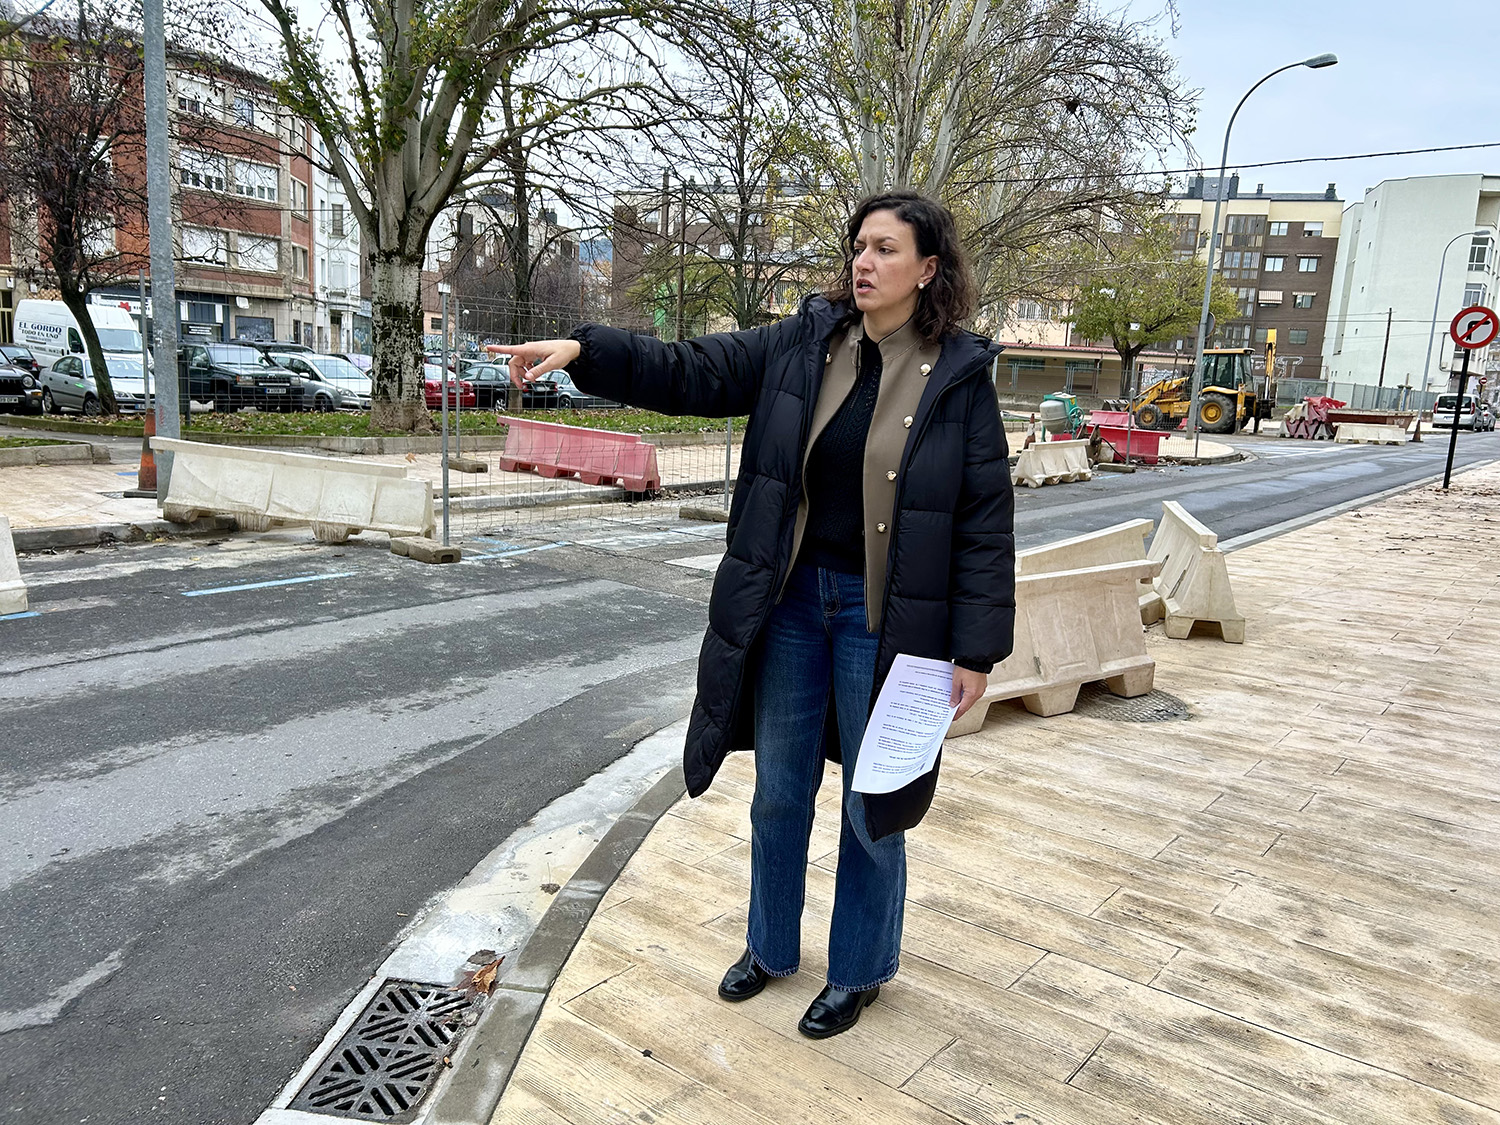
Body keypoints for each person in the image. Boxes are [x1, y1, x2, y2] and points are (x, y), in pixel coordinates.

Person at [506, 190, 1015, 1039]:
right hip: (791, 605)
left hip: (888, 625)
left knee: (873, 803)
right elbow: (690, 369)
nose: (864, 262)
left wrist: (976, 649)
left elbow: (984, 521)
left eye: (886, 250)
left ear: (928, 270)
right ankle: (770, 947)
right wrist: (583, 350)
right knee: (779, 791)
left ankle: (857, 969)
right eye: (859, 246)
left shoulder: (960, 375)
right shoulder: (803, 343)